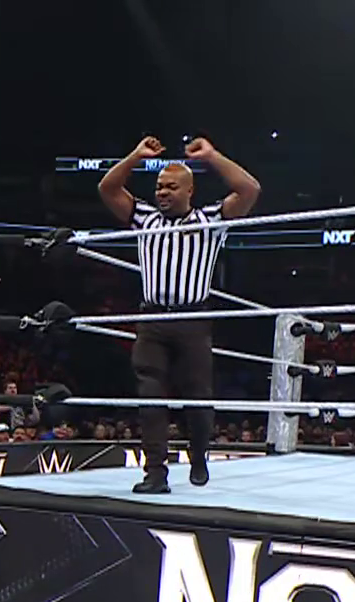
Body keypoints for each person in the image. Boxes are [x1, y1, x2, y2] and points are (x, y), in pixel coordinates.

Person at [97, 134, 261, 494]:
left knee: (198, 396)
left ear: (190, 191)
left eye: (171, 187)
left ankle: (199, 454)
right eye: (159, 186)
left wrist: (212, 156)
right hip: (152, 321)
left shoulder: (209, 219)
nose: (163, 192)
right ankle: (155, 473)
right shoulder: (144, 217)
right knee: (150, 396)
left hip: (193, 320)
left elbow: (249, 189)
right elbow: (107, 188)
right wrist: (135, 156)